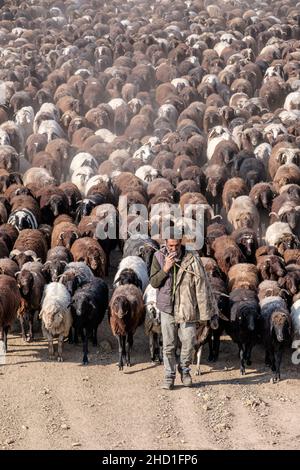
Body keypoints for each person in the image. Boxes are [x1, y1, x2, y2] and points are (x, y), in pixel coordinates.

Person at [150, 231, 218, 390]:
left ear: (181, 243)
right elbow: (153, 282)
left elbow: (203, 286)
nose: (174, 248)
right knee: (168, 344)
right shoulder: (158, 257)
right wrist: (165, 268)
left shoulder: (192, 259)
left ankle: (185, 369)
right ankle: (169, 375)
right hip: (167, 308)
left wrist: (208, 312)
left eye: (177, 245)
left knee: (189, 341)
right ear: (166, 243)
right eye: (170, 245)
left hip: (186, 306)